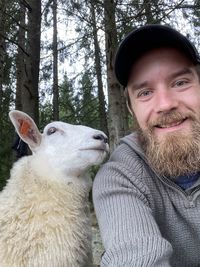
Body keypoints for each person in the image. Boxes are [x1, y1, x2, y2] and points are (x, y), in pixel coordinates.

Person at [93, 24, 200, 266]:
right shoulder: (120, 176)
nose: (165, 104)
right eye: (144, 93)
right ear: (132, 109)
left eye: (181, 82)